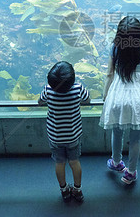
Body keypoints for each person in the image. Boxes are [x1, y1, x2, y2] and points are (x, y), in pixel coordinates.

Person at [99, 16, 140, 184]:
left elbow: (109, 74)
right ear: (139, 35)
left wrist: (106, 96)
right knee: (136, 138)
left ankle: (117, 162)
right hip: (139, 98)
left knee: (117, 131)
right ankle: (131, 172)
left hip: (118, 95)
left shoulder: (114, 48)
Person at [39, 61, 90, 202]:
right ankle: (77, 189)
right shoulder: (77, 88)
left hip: (55, 137)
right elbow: (87, 100)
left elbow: (40, 102)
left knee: (59, 163)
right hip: (73, 136)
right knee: (74, 161)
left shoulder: (48, 90)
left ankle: (64, 190)